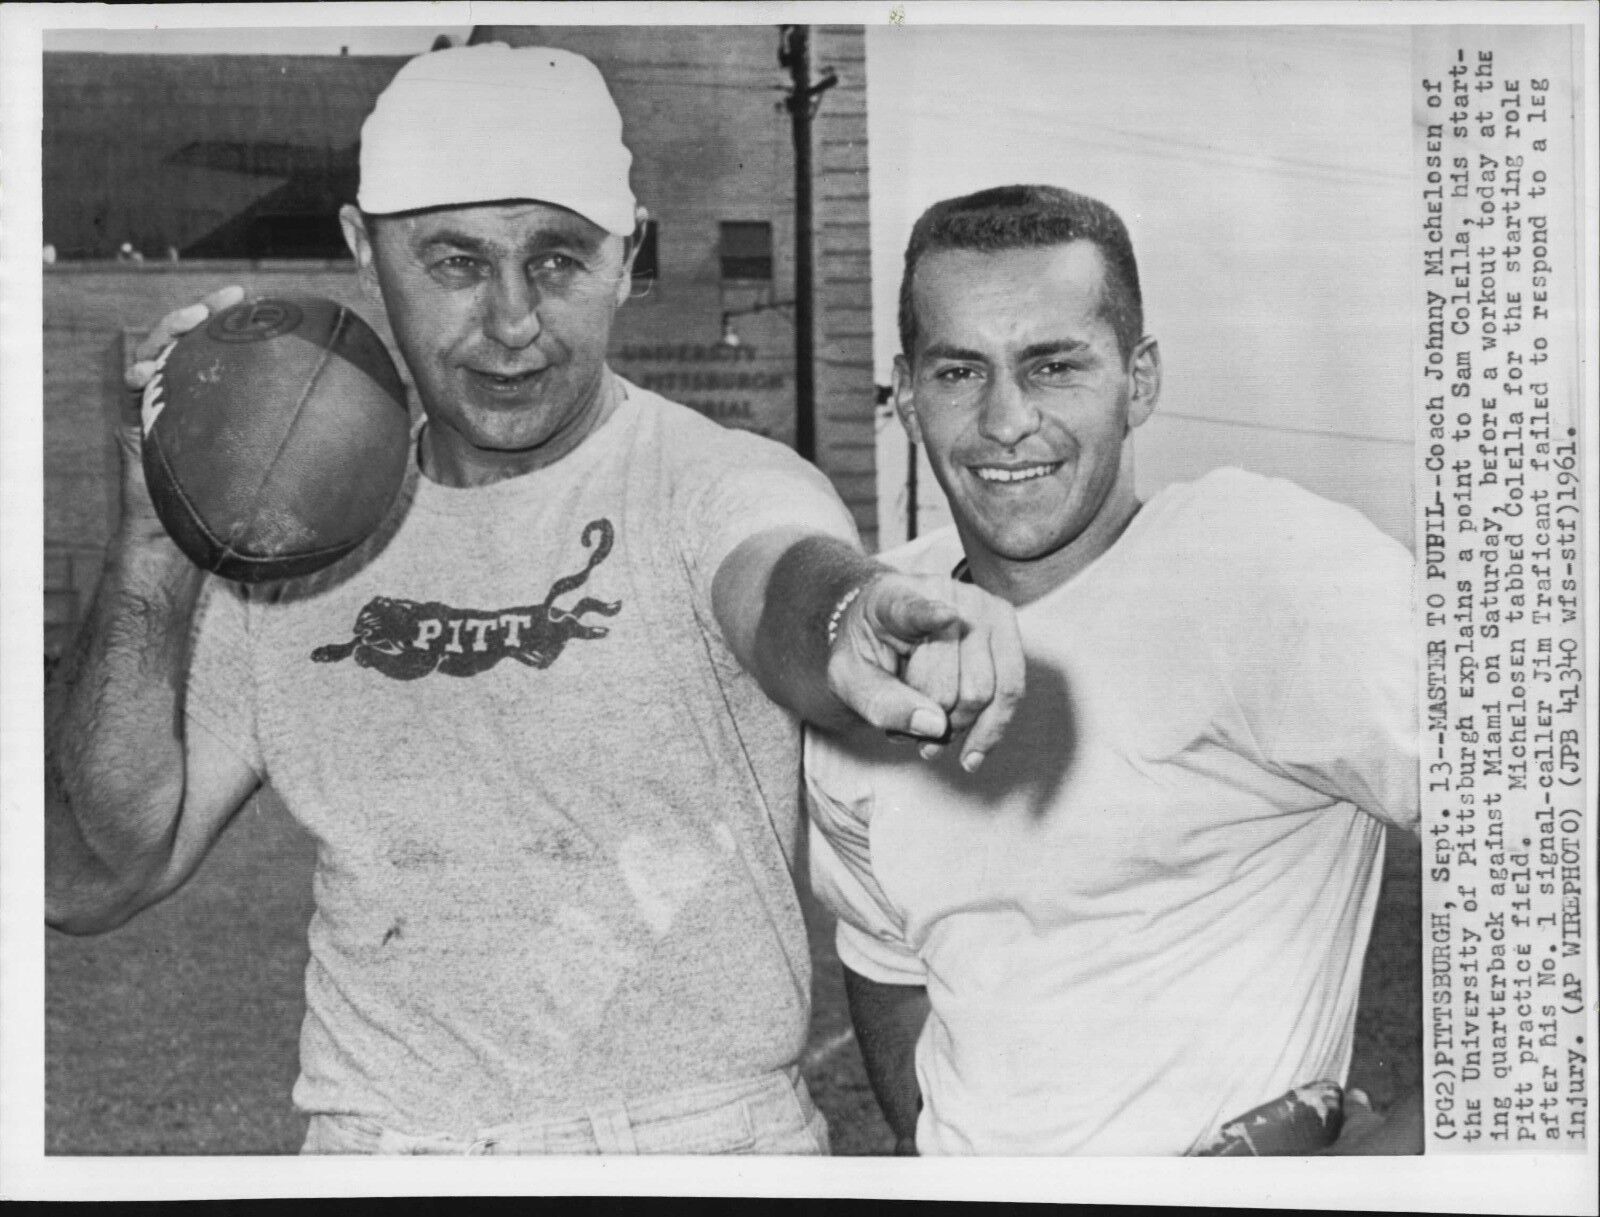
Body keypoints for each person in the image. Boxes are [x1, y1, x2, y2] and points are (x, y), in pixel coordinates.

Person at [45, 45, 1024, 1156]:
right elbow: (86, 875)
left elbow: (783, 581)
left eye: (557, 260)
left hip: (696, 1146)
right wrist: (155, 542)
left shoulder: (712, 479)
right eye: (454, 261)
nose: (511, 319)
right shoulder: (290, 539)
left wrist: (852, 621)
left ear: (629, 254)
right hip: (384, 1146)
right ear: (364, 250)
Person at [806, 184, 1422, 1156]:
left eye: (1054, 365)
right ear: (905, 391)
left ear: (1139, 380)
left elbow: (1552, 850)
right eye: (959, 370)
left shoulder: (1271, 569)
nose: (1006, 419)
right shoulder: (879, 629)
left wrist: (1402, 1158)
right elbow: (881, 954)